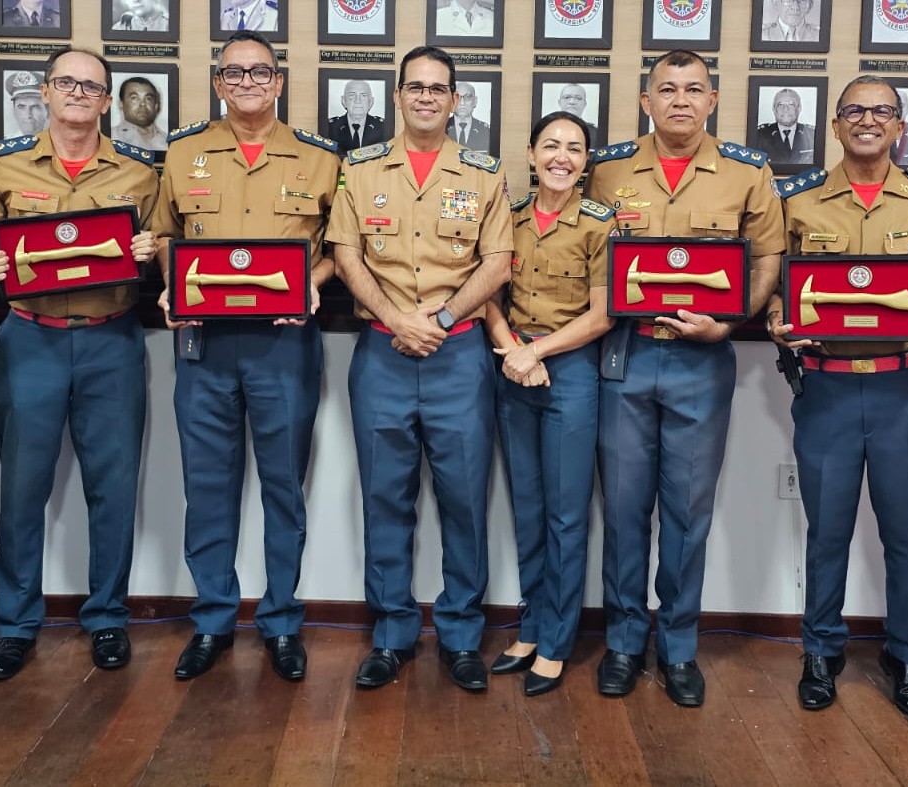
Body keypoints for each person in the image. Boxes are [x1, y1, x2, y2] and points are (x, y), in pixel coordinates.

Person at [768, 75, 908, 725]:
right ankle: (821, 650)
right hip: (826, 386)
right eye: (854, 110)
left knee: (907, 534)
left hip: (905, 388)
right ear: (835, 125)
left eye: (880, 111)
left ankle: (907, 655)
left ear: (898, 126)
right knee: (826, 531)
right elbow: (776, 289)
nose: (866, 120)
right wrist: (777, 317)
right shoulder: (798, 201)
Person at [584, 48, 785, 707]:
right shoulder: (609, 171)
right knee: (622, 506)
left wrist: (731, 324)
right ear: (646, 101)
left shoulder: (745, 174)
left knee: (688, 509)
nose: (679, 99)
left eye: (693, 89)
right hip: (626, 353)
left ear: (712, 100)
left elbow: (767, 257)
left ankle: (677, 647)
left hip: (702, 359)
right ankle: (621, 641)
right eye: (666, 89)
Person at [152, 31, 340, 684]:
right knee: (208, 487)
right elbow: (163, 238)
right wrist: (171, 287)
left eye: (261, 71)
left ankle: (283, 619)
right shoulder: (182, 154)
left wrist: (308, 286)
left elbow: (338, 248)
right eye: (235, 72)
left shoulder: (319, 159)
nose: (249, 81)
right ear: (218, 83)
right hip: (203, 344)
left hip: (284, 342)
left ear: (280, 82)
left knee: (284, 487)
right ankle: (211, 619)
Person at [0, 47, 162, 682]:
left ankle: (107, 615)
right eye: (67, 83)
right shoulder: (3, 167)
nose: (79, 94)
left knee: (114, 488)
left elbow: (163, 246)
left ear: (108, 102)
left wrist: (148, 248)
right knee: (23, 489)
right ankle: (16, 623)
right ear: (45, 93)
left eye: (92, 87)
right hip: (32, 338)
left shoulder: (139, 173)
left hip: (111, 339)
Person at [327, 45, 513, 693]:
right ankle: (392, 631)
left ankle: (462, 633)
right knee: (385, 496)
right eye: (416, 88)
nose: (427, 97)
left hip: (457, 353)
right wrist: (398, 318)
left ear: (456, 100)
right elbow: (346, 253)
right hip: (380, 350)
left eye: (439, 89)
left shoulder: (484, 174)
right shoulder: (361, 168)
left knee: (463, 498)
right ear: (398, 97)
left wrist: (435, 321)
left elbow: (496, 263)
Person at [484, 111, 615, 698]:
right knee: (529, 508)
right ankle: (532, 625)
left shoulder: (599, 225)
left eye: (574, 148)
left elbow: (602, 314)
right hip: (513, 368)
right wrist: (513, 351)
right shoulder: (506, 219)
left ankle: (558, 638)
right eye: (551, 146)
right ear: (531, 153)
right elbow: (488, 292)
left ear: (586, 161)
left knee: (565, 513)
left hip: (569, 373)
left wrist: (536, 353)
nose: (562, 157)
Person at [755, 88, 816, 165]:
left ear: (799, 108)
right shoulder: (759, 135)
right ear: (774, 109)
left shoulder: (812, 134)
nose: (785, 109)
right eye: (780, 104)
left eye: (791, 104)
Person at [327, 79, 386, 154]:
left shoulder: (382, 127)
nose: (358, 100)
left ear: (371, 102)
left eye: (363, 95)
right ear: (343, 101)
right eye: (352, 95)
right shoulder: (331, 127)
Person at [112, 77, 167, 151]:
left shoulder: (168, 140)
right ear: (121, 104)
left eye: (148, 98)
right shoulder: (112, 137)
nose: (143, 104)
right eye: (134, 98)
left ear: (156, 105)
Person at [447, 82, 492, 151]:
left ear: (475, 101)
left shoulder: (486, 131)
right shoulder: (440, 128)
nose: (462, 103)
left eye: (467, 97)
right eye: (457, 97)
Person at [7, 71, 49, 136]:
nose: (28, 115)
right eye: (21, 107)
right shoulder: (6, 144)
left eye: (35, 106)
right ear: (14, 111)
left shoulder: (60, 143)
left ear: (47, 111)